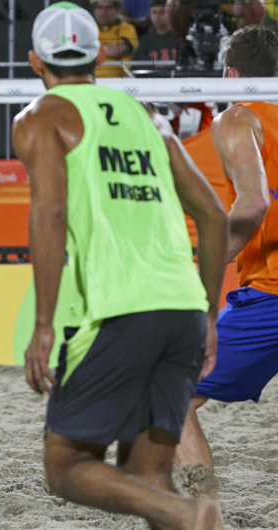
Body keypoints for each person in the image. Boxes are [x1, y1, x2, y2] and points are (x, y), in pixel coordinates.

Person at [13, 3, 228, 529]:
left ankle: (191, 512)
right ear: (98, 54)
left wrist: (44, 324)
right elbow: (216, 217)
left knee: (64, 467)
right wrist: (208, 317)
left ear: (36, 61)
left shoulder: (41, 117)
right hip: (181, 306)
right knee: (148, 478)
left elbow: (51, 213)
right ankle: (187, 514)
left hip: (119, 308)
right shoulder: (148, 116)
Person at [176, 25, 278, 530]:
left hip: (272, 297)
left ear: (232, 73)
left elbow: (255, 201)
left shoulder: (238, 116)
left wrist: (207, 273)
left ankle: (206, 515)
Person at [90, 0, 138, 77]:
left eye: (108, 7)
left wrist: (93, 50)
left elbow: (121, 50)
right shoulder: (89, 28)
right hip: (92, 80)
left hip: (120, 80)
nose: (103, 12)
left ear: (117, 9)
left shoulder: (127, 28)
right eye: (100, 7)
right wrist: (108, 49)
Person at [133, 0, 179, 68]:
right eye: (154, 12)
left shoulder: (179, 38)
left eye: (162, 12)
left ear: (169, 13)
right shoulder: (145, 41)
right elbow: (139, 67)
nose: (157, 16)